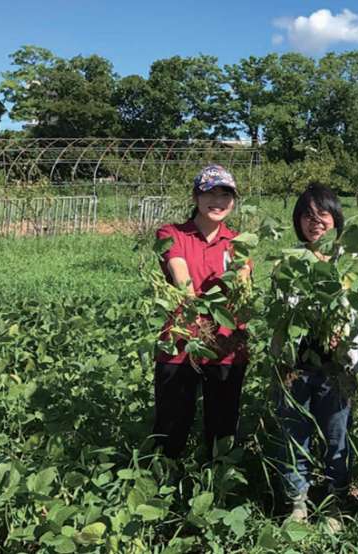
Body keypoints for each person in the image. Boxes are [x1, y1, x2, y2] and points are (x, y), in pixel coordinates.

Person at [274, 184, 358, 526]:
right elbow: (279, 318)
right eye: (307, 215)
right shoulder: (288, 260)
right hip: (296, 365)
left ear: (336, 219)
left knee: (336, 437)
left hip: (336, 366)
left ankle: (334, 502)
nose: (315, 222)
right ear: (298, 221)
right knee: (294, 436)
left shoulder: (352, 263)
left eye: (323, 215)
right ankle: (297, 504)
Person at [152, 164, 250, 460]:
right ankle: (163, 489)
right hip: (181, 343)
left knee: (222, 428)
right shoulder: (172, 233)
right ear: (196, 197)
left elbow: (243, 283)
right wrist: (194, 300)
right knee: (171, 426)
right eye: (210, 193)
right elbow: (180, 275)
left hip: (225, 345)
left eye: (225, 195)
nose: (218, 201)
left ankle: (216, 487)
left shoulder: (238, 242)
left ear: (233, 201)